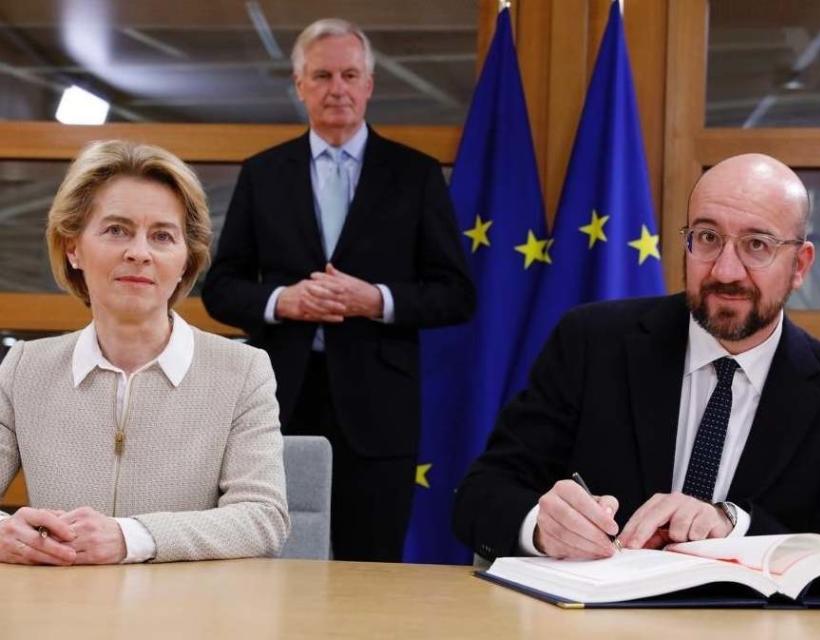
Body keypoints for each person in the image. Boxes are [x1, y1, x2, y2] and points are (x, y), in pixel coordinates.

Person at [453, 153, 820, 561]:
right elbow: (481, 494)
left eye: (756, 245)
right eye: (707, 238)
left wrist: (735, 527)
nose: (725, 271)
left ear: (799, 265)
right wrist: (542, 527)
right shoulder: (591, 342)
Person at [202, 18, 475, 562]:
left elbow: (456, 294)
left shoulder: (414, 174)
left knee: (370, 565)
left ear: (370, 84)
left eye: (350, 74)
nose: (337, 89)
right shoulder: (264, 173)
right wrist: (284, 302)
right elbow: (221, 288)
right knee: (271, 561)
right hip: (278, 402)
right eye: (322, 75)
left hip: (380, 409)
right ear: (300, 85)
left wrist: (374, 299)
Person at [0, 140, 290, 565]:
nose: (139, 252)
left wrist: (129, 537)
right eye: (116, 230)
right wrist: (6, 533)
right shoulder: (25, 368)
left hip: (187, 620)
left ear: (185, 262)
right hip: (57, 617)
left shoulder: (243, 371)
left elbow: (263, 518)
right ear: (73, 248)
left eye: (162, 236)